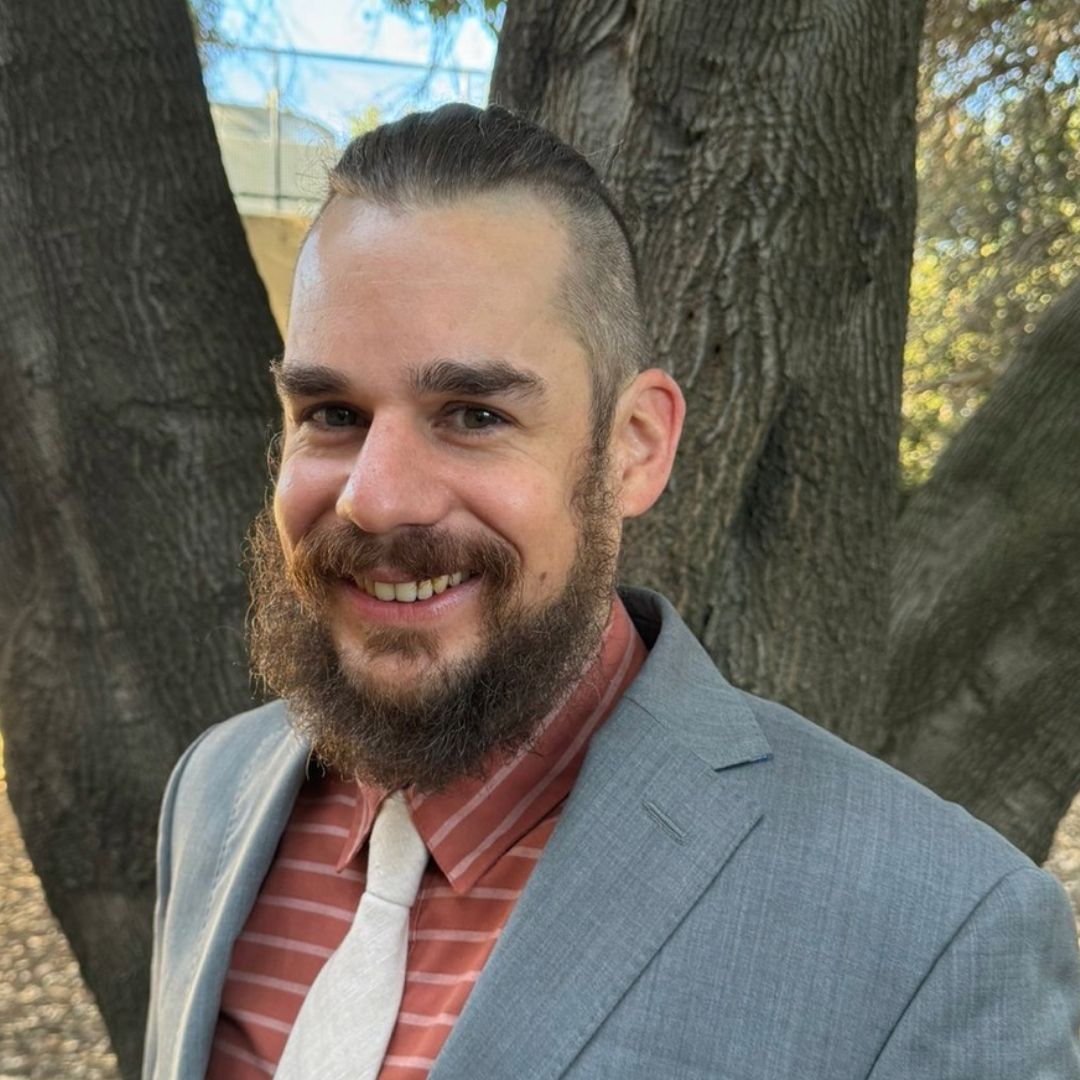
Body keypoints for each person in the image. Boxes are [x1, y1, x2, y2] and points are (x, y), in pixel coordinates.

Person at [143, 104, 1080, 1080]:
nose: (375, 501)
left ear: (637, 446)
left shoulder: (940, 932)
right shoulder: (215, 792)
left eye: (472, 414)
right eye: (331, 412)